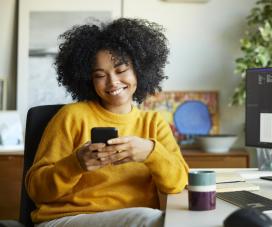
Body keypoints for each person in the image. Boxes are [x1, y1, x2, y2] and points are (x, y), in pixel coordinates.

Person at [25, 18, 189, 227]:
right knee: (152, 220)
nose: (113, 82)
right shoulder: (72, 116)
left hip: (132, 220)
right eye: (100, 75)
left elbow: (179, 183)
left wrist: (151, 152)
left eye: (121, 71)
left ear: (139, 69)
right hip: (65, 219)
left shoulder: (153, 123)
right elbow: (36, 190)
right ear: (88, 79)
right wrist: (75, 164)